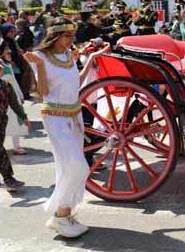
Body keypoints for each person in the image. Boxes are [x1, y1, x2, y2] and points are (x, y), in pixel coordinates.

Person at [23, 17, 109, 238]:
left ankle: (65, 215)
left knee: (72, 168)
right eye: (68, 36)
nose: (72, 39)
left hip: (74, 116)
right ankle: (59, 215)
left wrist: (90, 58)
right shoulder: (40, 57)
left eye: (73, 35)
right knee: (77, 166)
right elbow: (42, 91)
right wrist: (40, 66)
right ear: (55, 35)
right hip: (55, 118)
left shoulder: (68, 55)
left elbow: (76, 83)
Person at [0, 57, 31, 191]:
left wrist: (23, 117)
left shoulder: (6, 85)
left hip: (2, 121)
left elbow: (14, 103)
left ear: (3, 70)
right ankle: (9, 178)